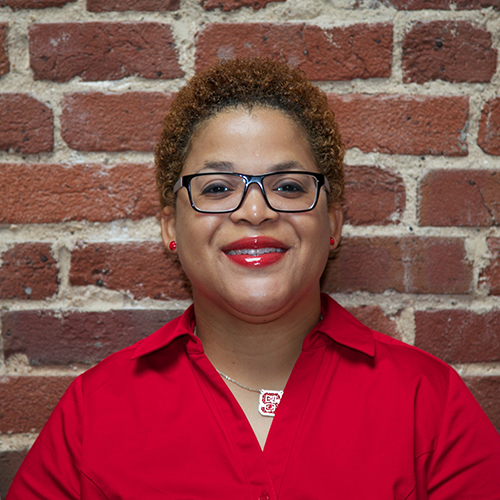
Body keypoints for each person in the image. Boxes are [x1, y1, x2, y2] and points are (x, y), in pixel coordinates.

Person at [7, 58, 500, 499]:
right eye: (217, 188)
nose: (256, 211)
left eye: (288, 186)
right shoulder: (94, 414)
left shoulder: (428, 404)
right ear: (170, 228)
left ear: (332, 224)